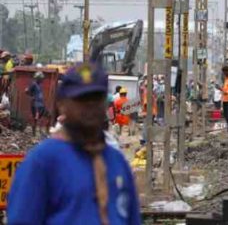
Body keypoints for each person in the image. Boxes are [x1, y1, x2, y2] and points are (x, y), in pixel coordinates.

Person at [7, 63, 141, 225]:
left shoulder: (117, 161)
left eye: (96, 98)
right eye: (82, 99)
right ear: (62, 105)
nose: (90, 106)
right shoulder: (42, 163)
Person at [26, 71, 45, 136]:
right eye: (41, 78)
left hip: (40, 103)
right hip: (36, 103)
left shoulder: (39, 84)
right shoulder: (34, 84)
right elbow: (27, 91)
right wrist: (32, 95)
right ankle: (35, 132)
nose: (42, 79)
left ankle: (36, 132)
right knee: (36, 117)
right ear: (38, 78)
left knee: (38, 117)